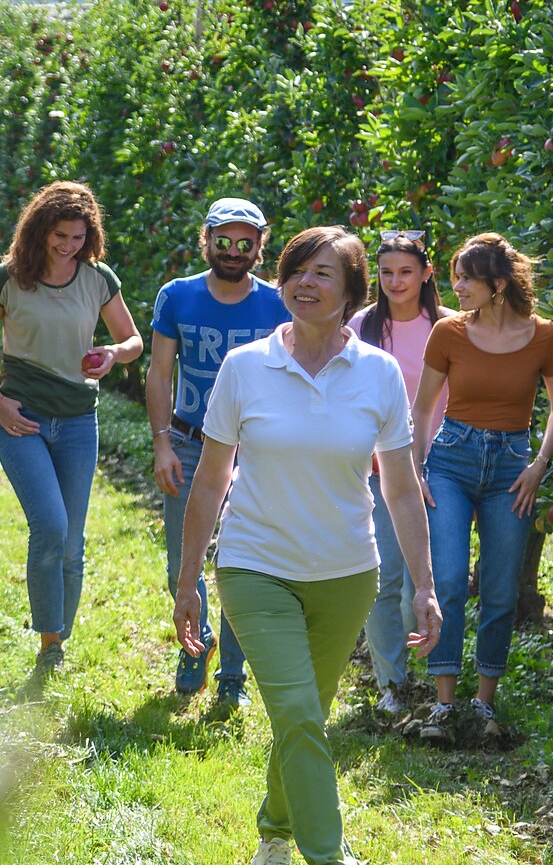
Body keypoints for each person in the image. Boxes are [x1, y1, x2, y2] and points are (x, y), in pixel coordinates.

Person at [171, 226, 441, 865]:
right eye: (296, 270)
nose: (304, 283)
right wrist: (187, 580)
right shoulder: (245, 368)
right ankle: (327, 853)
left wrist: (424, 585)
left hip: (346, 573)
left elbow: (401, 490)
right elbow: (210, 481)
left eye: (323, 273)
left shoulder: (377, 375)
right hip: (253, 565)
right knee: (295, 710)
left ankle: (274, 831)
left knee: (302, 721)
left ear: (351, 292)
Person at [0, 182, 143, 670]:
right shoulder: (10, 278)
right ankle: (48, 642)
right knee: (51, 526)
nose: (68, 246)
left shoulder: (97, 278)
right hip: (23, 419)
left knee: (72, 542)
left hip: (79, 422)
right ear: (40, 230)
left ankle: (57, 641)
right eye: (60, 236)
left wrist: (111, 353)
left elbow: (132, 340)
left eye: (78, 238)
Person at [411, 233, 553, 743]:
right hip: (451, 462)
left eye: (465, 278)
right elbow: (422, 408)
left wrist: (539, 465)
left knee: (501, 589)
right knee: (452, 581)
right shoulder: (448, 332)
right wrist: (416, 467)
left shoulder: (545, 337)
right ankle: (443, 704)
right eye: (455, 276)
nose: (454, 286)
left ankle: (483, 704)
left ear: (498, 285)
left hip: (511, 467)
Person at [146, 196, 292, 708]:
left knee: (241, 561)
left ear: (259, 245)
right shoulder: (178, 297)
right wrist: (162, 441)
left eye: (244, 243)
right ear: (206, 240)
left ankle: (233, 673)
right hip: (190, 442)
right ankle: (196, 639)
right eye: (224, 241)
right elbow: (161, 371)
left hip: (256, 450)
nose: (233, 251)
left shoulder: (278, 303)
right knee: (181, 562)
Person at [347, 230, 449, 715]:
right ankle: (392, 682)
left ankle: (431, 673)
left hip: (439, 469)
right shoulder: (361, 326)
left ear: (427, 273)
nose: (395, 281)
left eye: (406, 271)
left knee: (423, 580)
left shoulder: (448, 328)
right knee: (384, 577)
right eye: (386, 272)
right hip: (378, 468)